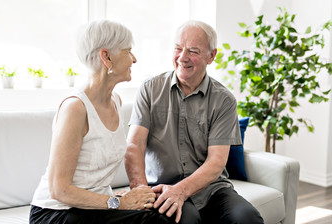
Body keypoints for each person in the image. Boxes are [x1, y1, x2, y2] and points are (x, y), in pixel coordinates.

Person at [30, 20, 174, 224]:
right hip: (55, 213)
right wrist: (117, 203)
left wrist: (116, 199)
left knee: (163, 213)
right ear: (106, 57)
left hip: (93, 208)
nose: (134, 59)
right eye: (128, 51)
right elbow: (59, 189)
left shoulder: (116, 101)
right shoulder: (75, 109)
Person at [125, 20, 264, 224]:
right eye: (178, 48)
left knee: (248, 219)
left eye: (193, 51)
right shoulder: (150, 89)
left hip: (211, 189)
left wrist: (180, 191)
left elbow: (216, 162)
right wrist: (141, 192)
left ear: (211, 56)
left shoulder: (224, 100)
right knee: (186, 220)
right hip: (162, 188)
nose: (182, 57)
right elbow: (134, 145)